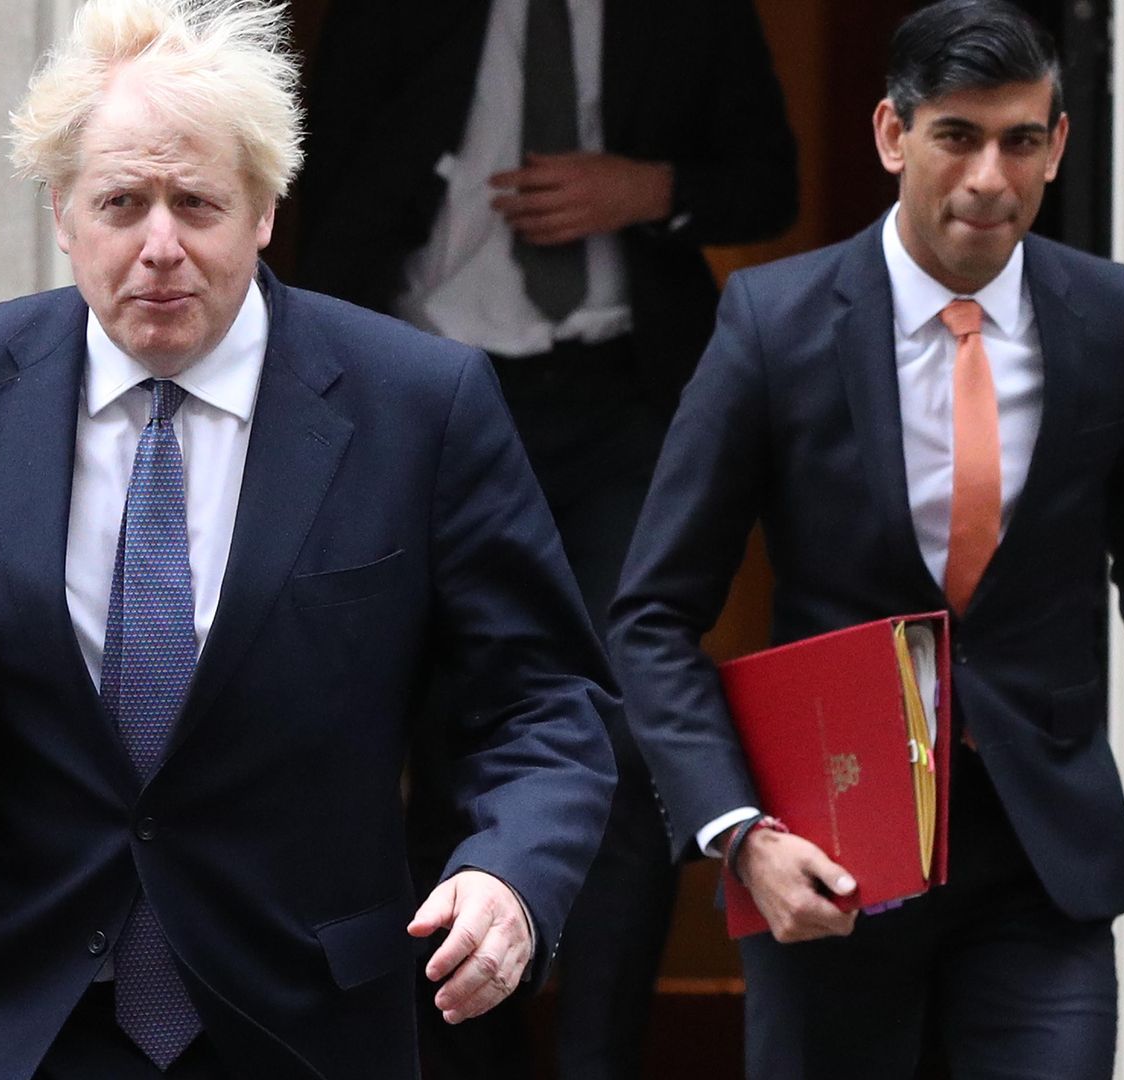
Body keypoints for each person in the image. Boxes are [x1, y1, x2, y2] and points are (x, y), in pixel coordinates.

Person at [0, 2, 616, 1077]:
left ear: (262, 210)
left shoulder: (417, 406)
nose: (160, 247)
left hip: (297, 1025)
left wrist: (510, 874)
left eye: (197, 202)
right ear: (63, 213)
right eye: (121, 202)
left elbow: (545, 700)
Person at [608, 2, 1124, 1077]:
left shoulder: (1112, 319)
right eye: (958, 137)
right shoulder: (773, 322)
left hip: (1042, 866)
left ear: (1058, 145)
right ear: (895, 136)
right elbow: (653, 615)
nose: (990, 176)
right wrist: (740, 832)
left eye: (1021, 140)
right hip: (831, 858)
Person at [295, 2, 797, 1076]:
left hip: (618, 400)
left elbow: (770, 178)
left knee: (624, 733)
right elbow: (312, 174)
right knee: (444, 742)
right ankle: (464, 1055)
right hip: (427, 394)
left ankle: (597, 1061)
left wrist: (651, 189)